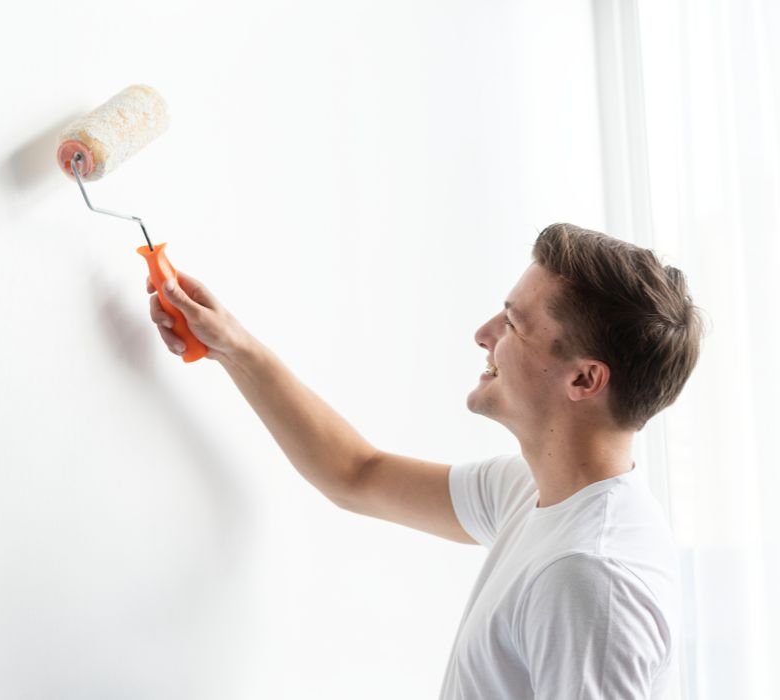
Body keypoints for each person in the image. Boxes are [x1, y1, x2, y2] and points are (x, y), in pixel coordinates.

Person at [146, 222, 704, 699]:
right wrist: (232, 346)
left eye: (512, 324)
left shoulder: (586, 577)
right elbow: (357, 475)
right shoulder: (534, 491)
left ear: (584, 378)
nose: (483, 334)